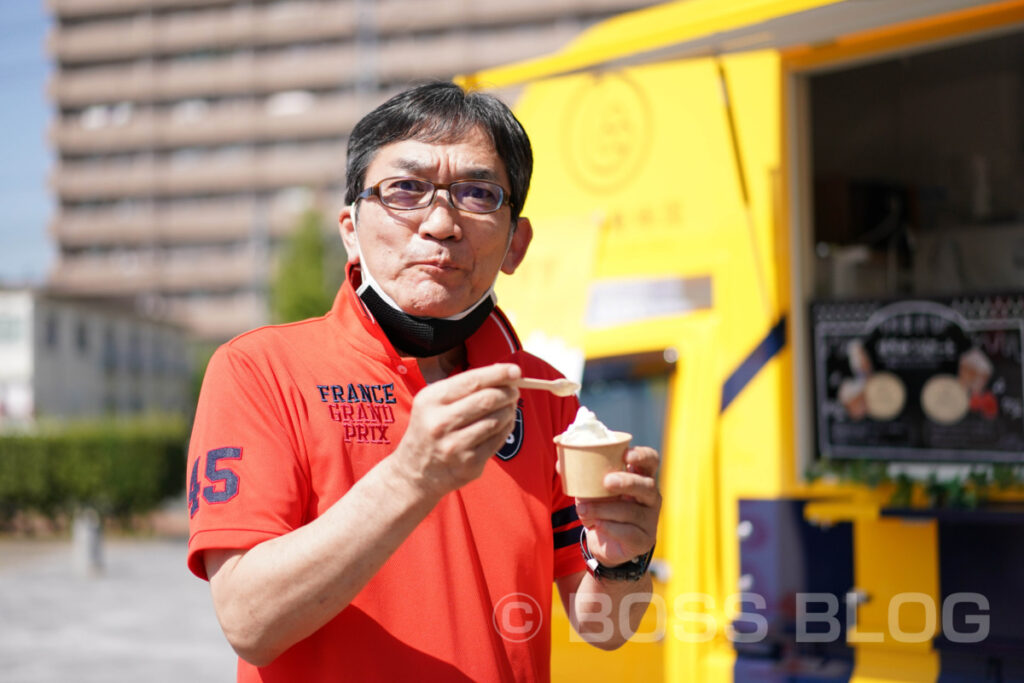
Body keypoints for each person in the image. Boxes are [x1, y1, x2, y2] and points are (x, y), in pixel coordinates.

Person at [186, 81, 661, 682]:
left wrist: (625, 562)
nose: (440, 222)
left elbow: (605, 630)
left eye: (477, 193)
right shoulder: (260, 369)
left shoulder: (545, 394)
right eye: (406, 189)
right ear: (351, 227)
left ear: (516, 243)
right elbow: (250, 623)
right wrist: (413, 477)